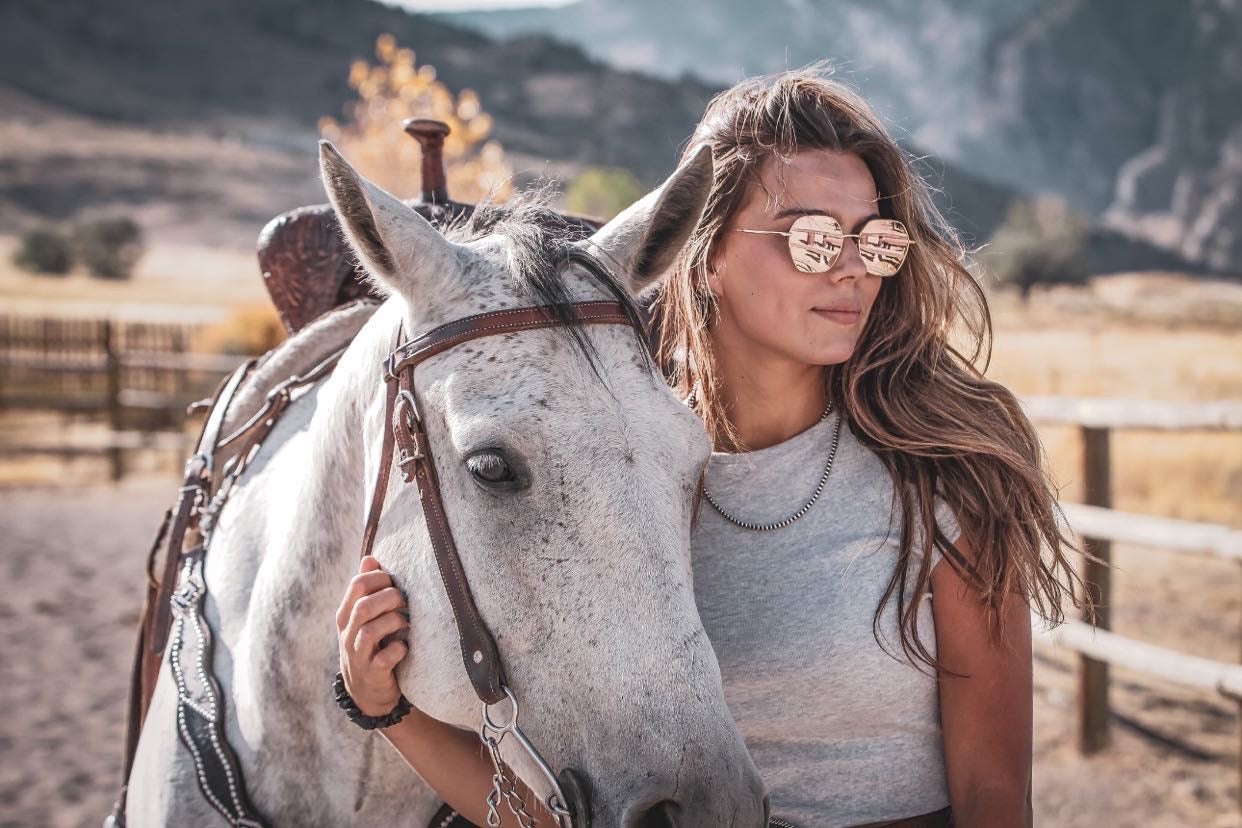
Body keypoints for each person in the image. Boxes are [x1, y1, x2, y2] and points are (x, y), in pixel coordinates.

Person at [335, 67, 1083, 827]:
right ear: (706, 250)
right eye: (815, 238)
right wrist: (389, 709)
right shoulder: (618, 481)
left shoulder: (947, 476)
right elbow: (559, 816)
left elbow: (995, 798)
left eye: (876, 240)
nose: (854, 267)